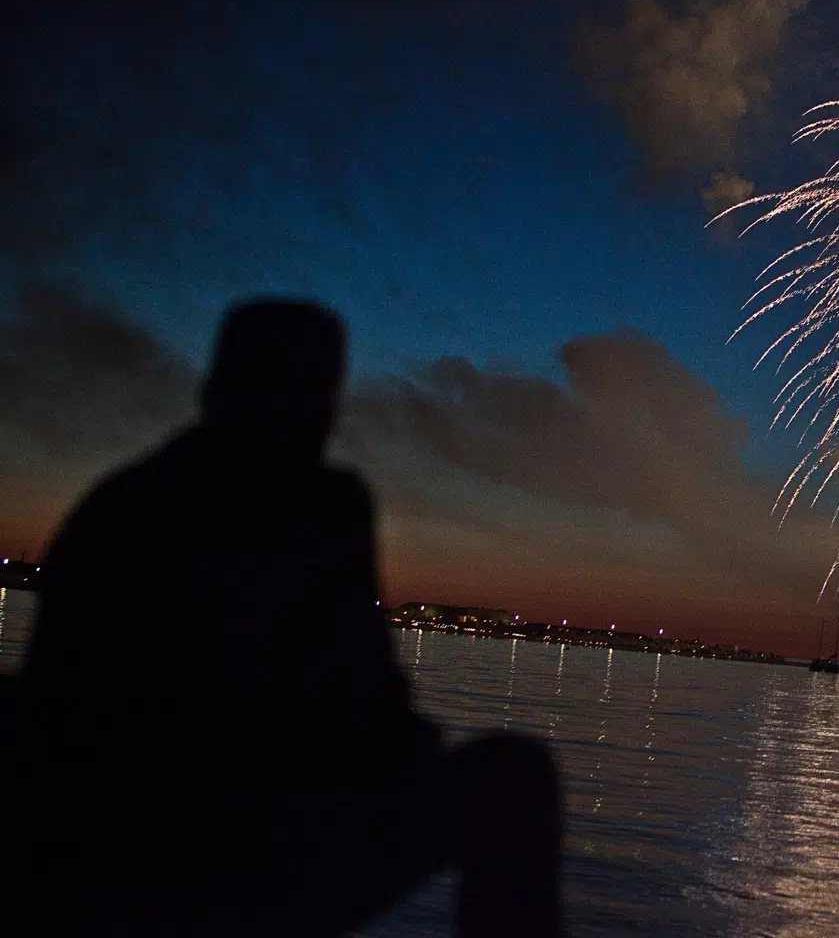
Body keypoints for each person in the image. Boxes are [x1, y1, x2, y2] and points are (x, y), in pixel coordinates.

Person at [7, 299, 561, 936]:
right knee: (514, 777)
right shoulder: (318, 510)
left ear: (214, 387)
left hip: (85, 855)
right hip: (233, 860)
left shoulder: (118, 503)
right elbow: (374, 717)